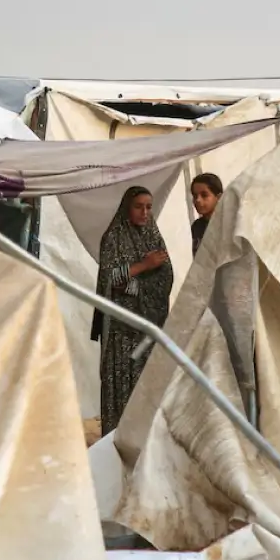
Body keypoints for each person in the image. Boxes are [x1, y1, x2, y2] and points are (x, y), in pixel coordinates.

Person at [91, 186, 174, 436]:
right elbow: (110, 278)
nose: (145, 212)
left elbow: (166, 278)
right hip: (120, 330)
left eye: (149, 207)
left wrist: (134, 285)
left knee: (145, 389)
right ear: (127, 207)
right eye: (139, 206)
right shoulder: (113, 238)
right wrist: (144, 265)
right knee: (119, 389)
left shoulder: (153, 235)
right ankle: (115, 443)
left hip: (147, 331)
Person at [190, 172, 223, 256]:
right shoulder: (197, 226)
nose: (198, 200)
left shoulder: (228, 223)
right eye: (195, 196)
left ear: (219, 197)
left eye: (204, 195)